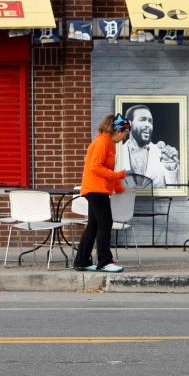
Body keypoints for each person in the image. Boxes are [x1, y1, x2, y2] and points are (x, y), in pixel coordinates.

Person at [74, 113, 130, 274]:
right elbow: (95, 167)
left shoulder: (108, 143)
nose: (124, 138)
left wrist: (117, 185)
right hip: (96, 189)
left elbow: (107, 168)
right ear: (118, 131)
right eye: (124, 134)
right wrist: (118, 176)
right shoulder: (102, 142)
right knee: (105, 224)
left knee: (93, 225)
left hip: (98, 188)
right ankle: (105, 261)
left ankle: (82, 261)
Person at [114, 104, 180, 189]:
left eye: (150, 121)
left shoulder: (162, 153)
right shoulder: (116, 153)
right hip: (126, 201)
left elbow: (173, 190)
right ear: (129, 124)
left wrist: (171, 167)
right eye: (142, 120)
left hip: (156, 202)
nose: (148, 125)